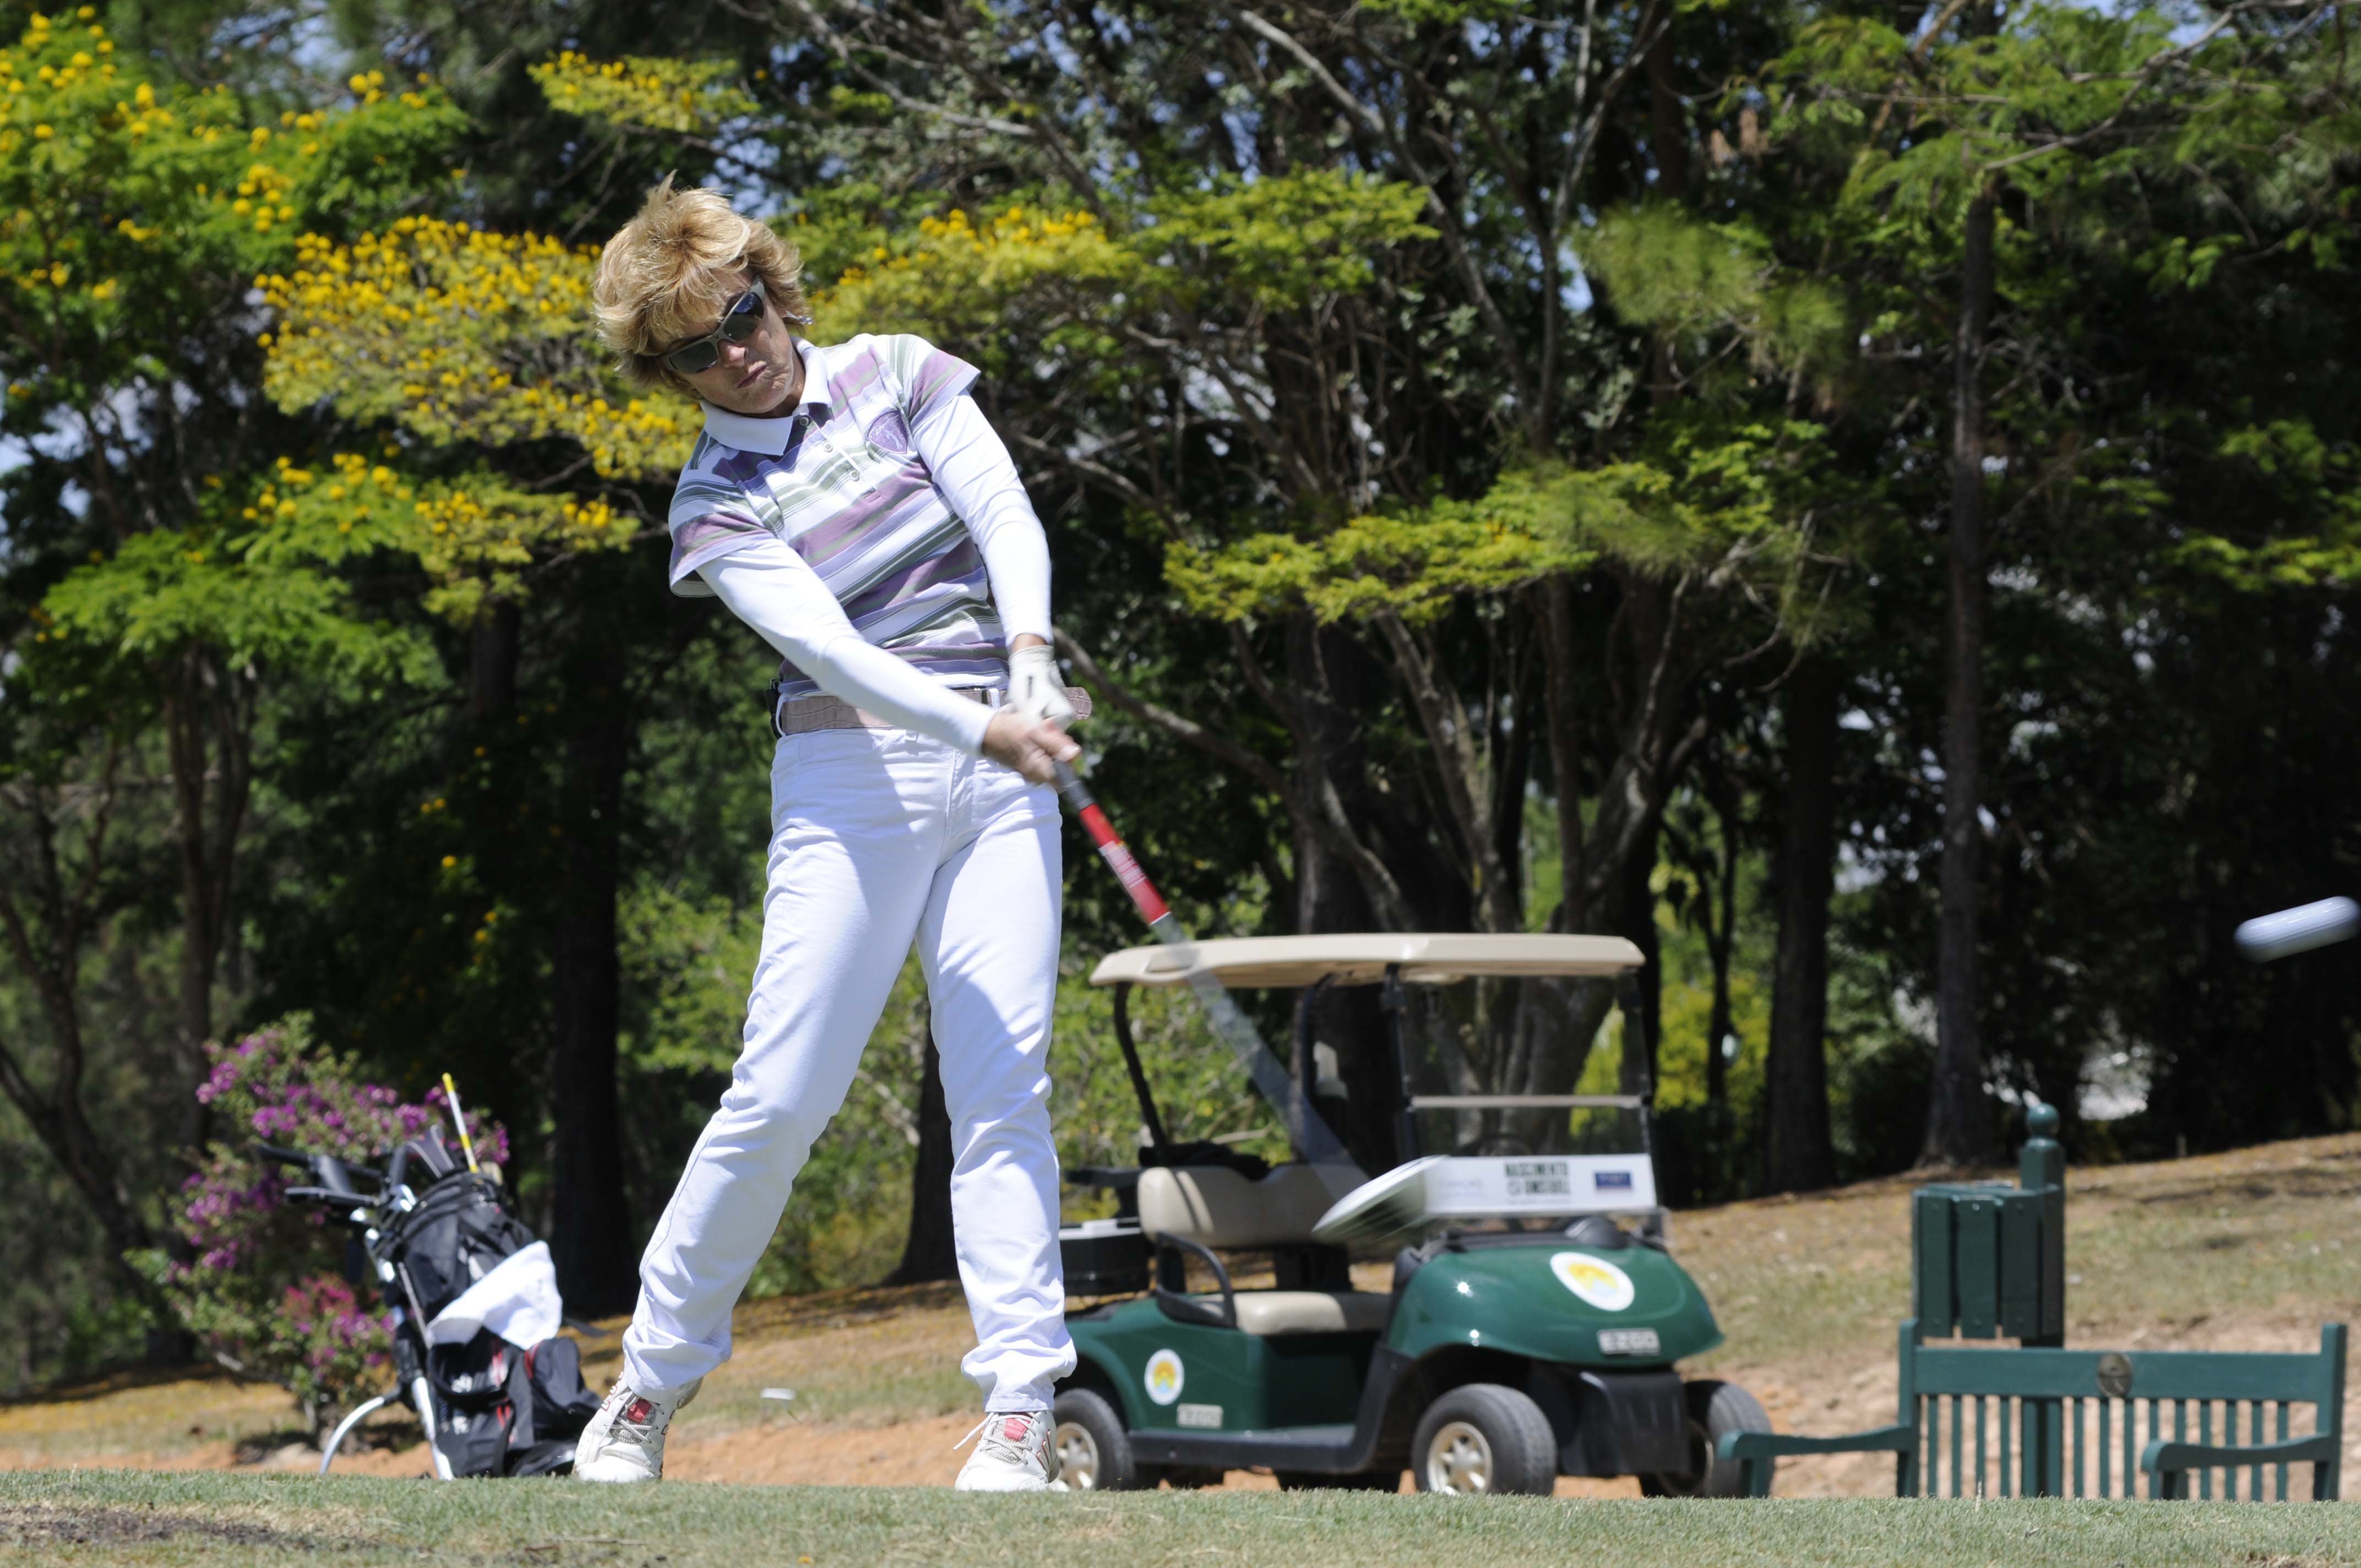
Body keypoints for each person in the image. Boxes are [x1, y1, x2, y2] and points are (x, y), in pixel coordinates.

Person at [573, 178, 1082, 1491]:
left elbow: (1004, 514)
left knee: (1003, 1085)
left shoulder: (898, 371)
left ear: (772, 289)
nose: (736, 351)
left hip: (999, 763)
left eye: (741, 313)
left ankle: (1021, 1402)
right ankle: (647, 1384)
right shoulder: (708, 506)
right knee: (782, 1095)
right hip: (853, 788)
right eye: (697, 345)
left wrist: (1026, 658)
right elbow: (831, 651)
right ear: (665, 367)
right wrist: (984, 729)